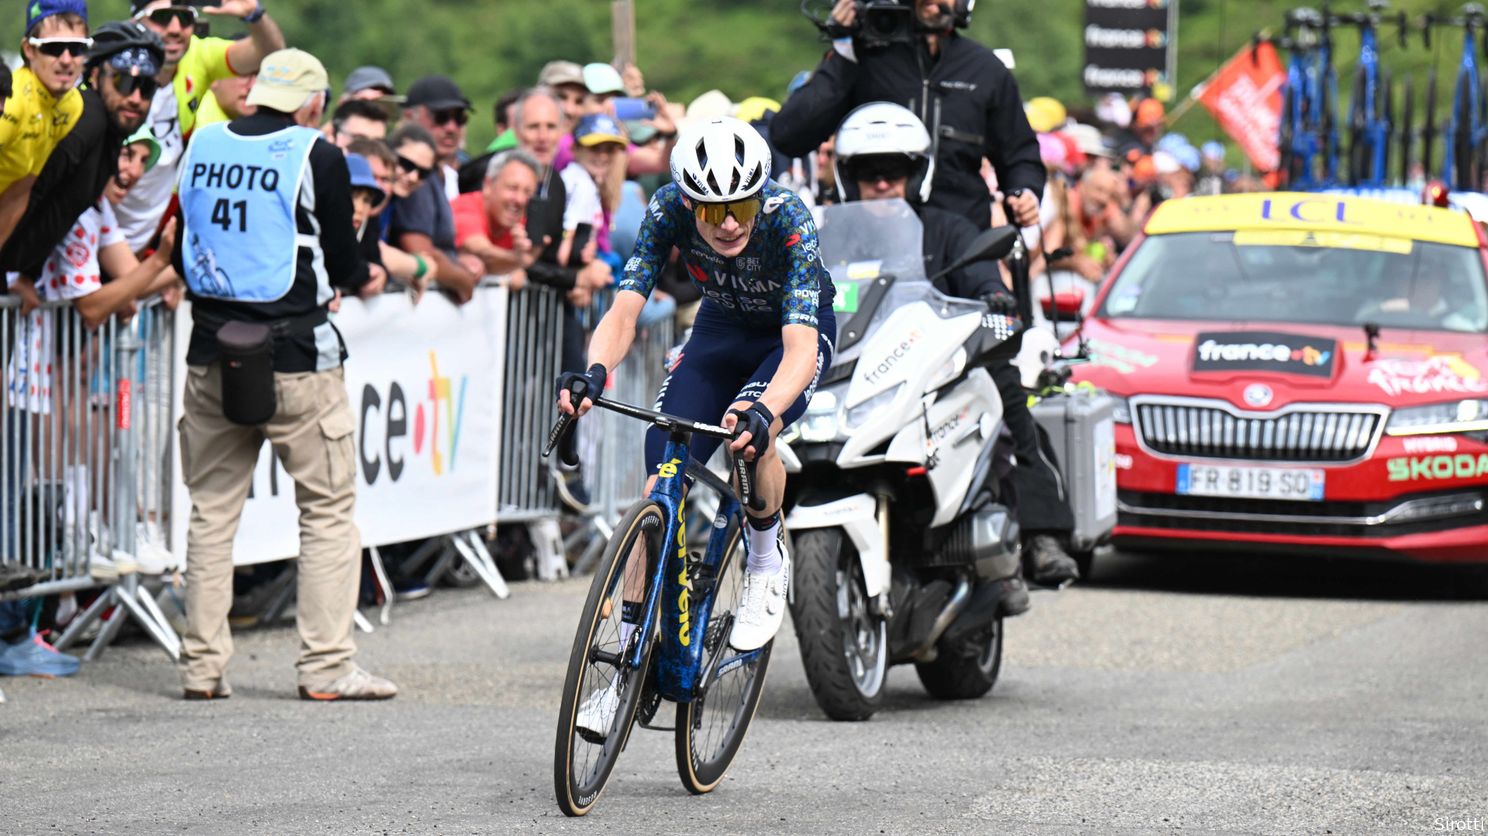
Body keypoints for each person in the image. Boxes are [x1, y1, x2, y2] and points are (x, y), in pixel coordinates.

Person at [559, 119, 836, 731]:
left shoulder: (788, 217)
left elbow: (798, 350)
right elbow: (625, 307)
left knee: (747, 432)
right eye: (714, 210)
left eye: (741, 204)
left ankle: (765, 557)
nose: (730, 221)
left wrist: (767, 411)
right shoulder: (666, 210)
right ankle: (626, 657)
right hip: (718, 329)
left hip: (788, 338)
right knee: (662, 471)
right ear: (688, 200)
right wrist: (594, 373)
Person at [171, 48, 393, 702]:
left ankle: (201, 669)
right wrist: (360, 278)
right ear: (314, 103)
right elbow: (343, 257)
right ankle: (326, 668)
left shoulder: (204, 142)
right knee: (326, 512)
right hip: (298, 358)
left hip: (212, 352)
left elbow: (184, 239)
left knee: (211, 514)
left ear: (253, 93)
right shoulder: (315, 153)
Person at [833, 102, 1080, 588]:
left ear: (916, 172)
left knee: (1007, 392)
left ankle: (1042, 530)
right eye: (868, 171)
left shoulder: (947, 229)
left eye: (894, 170)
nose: (882, 182)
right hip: (852, 370)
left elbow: (985, 278)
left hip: (935, 367)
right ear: (847, 176)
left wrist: (994, 297)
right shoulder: (824, 236)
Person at [771, 0, 1044, 230]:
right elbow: (789, 136)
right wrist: (843, 49)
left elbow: (1020, 155)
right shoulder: (864, 56)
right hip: (871, 235)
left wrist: (1025, 193)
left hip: (961, 243)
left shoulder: (987, 69)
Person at [1, 21, 166, 308]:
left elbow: (56, 209)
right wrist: (11, 272)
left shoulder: (112, 133)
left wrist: (27, 272)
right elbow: (28, 192)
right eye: (124, 82)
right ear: (94, 74)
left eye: (147, 87)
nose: (136, 98)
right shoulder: (87, 120)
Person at [115, 0, 285, 254]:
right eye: (162, 17)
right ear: (135, 22)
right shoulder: (112, 61)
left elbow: (270, 55)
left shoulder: (199, 54)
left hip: (151, 231)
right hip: (100, 222)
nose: (175, 29)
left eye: (185, 19)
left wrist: (255, 15)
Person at [512, 87, 613, 511]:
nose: (541, 135)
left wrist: (582, 273)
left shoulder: (557, 180)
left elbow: (536, 259)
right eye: (532, 126)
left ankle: (562, 471)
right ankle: (547, 477)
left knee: (571, 379)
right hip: (517, 308)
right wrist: (578, 274)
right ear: (517, 131)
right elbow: (521, 262)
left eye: (550, 126)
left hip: (551, 304)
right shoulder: (513, 174)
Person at [0, 0, 90, 251]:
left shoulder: (72, 105)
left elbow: (20, 191)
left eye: (76, 48)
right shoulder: (13, 102)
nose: (66, 59)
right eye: (53, 48)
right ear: (29, 50)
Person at [385, 123, 477, 301]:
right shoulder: (376, 197)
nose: (413, 177)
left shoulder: (398, 197)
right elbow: (422, 254)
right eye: (406, 164)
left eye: (423, 173)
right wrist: (463, 280)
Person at [452, 149, 540, 281]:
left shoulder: (520, 221)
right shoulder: (466, 207)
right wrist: (518, 261)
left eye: (528, 192)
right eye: (512, 188)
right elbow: (482, 251)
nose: (520, 199)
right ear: (488, 185)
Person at [402, 75, 471, 200]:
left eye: (459, 118)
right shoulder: (388, 176)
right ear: (409, 117)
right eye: (441, 117)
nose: (451, 128)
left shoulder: (459, 183)